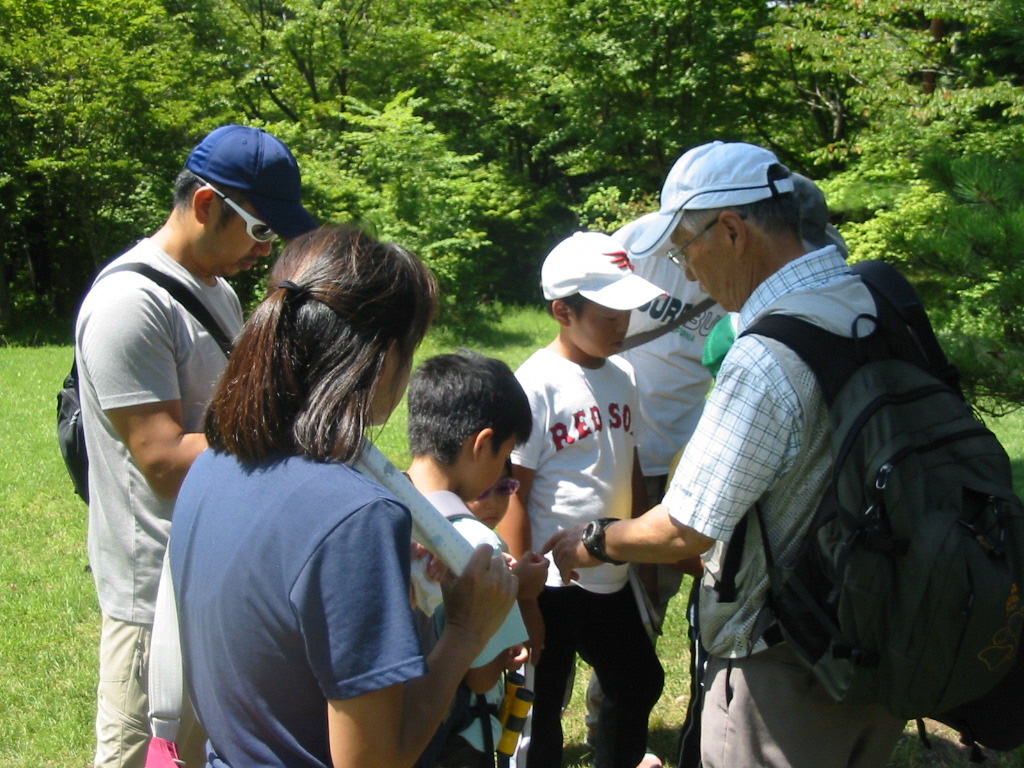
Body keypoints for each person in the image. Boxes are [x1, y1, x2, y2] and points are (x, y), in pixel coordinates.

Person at [544, 141, 906, 768]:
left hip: (787, 657)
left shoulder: (765, 355)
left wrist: (596, 541)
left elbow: (685, 527)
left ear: (733, 232)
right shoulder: (878, 302)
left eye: (686, 248)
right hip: (881, 623)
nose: (687, 273)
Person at [169, 226, 517, 768]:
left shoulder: (213, 464)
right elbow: (373, 761)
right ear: (385, 356)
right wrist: (466, 631)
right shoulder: (356, 516)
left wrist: (383, 593)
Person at [74, 124, 317, 768]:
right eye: (260, 230)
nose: (265, 249)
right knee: (142, 757)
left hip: (212, 572)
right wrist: (291, 429)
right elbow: (162, 461)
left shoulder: (217, 289)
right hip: (154, 591)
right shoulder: (130, 303)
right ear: (207, 204)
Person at [497, 231, 666, 768]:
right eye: (608, 316)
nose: (622, 327)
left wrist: (641, 551)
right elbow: (512, 492)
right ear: (563, 311)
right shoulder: (536, 384)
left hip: (610, 564)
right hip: (550, 580)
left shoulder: (624, 374)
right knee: (541, 700)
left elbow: (629, 464)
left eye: (627, 314)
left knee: (638, 679)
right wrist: (524, 594)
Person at [405, 352, 548, 767]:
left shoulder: (384, 508)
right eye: (506, 454)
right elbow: (483, 676)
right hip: (455, 740)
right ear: (483, 444)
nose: (506, 469)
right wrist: (518, 592)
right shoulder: (478, 546)